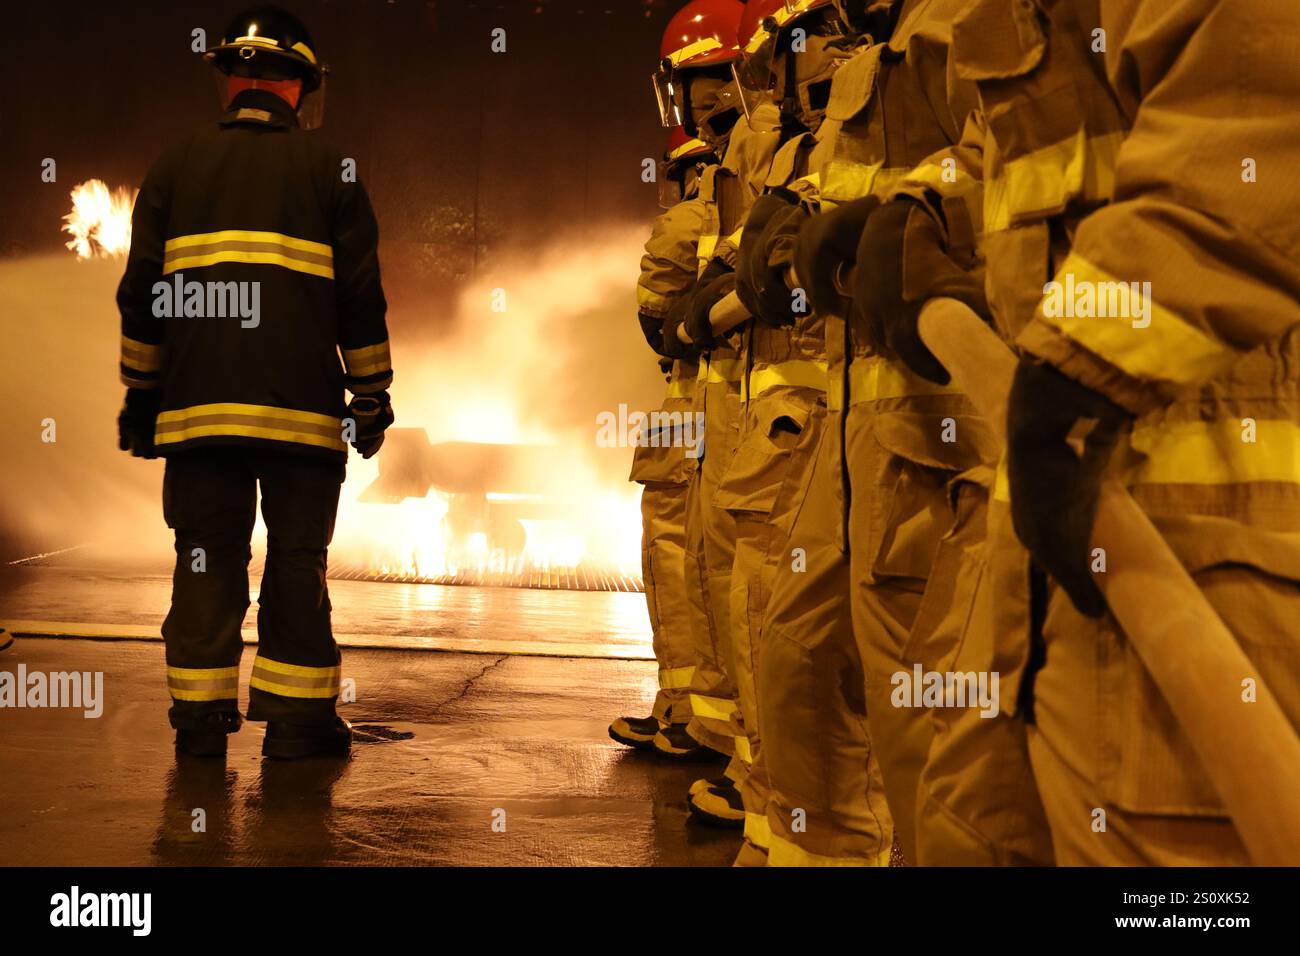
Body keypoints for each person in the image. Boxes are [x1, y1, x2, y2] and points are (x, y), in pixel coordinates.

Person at [116, 4, 393, 760]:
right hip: (302, 418)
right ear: (301, 86)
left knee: (206, 553)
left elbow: (142, 295)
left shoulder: (175, 166)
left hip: (198, 416)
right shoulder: (330, 170)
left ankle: (200, 725)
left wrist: (142, 395)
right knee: (297, 560)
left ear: (228, 82)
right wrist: (370, 398)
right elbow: (358, 301)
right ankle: (298, 726)